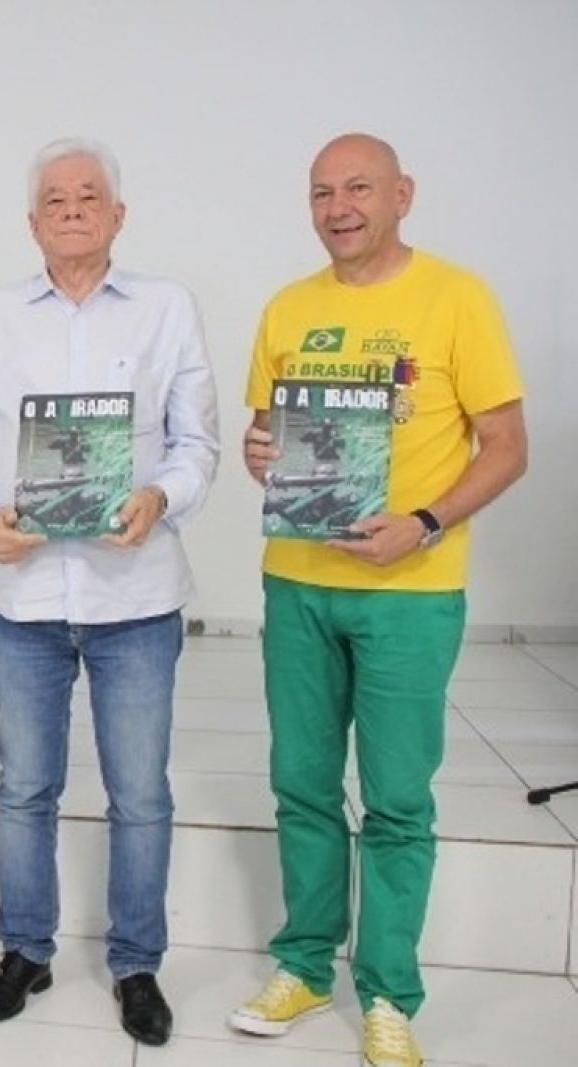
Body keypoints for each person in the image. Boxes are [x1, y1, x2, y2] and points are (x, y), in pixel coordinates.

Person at [230, 133, 527, 1067]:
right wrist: (260, 453)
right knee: (302, 784)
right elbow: (265, 436)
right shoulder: (289, 307)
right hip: (299, 582)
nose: (339, 208)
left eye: (358, 188)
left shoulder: (456, 297)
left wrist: (426, 522)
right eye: (322, 192)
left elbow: (507, 446)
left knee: (397, 798)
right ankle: (305, 964)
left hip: (411, 590)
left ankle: (390, 992)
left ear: (403, 194)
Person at [0, 138, 219, 1047]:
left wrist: (160, 497)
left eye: (88, 196)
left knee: (139, 791)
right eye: (54, 199)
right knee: (25, 786)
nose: (71, 209)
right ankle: (26, 948)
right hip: (22, 601)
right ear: (32, 222)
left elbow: (197, 443)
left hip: (136, 597)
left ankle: (136, 962)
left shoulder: (168, 308)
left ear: (117, 214)